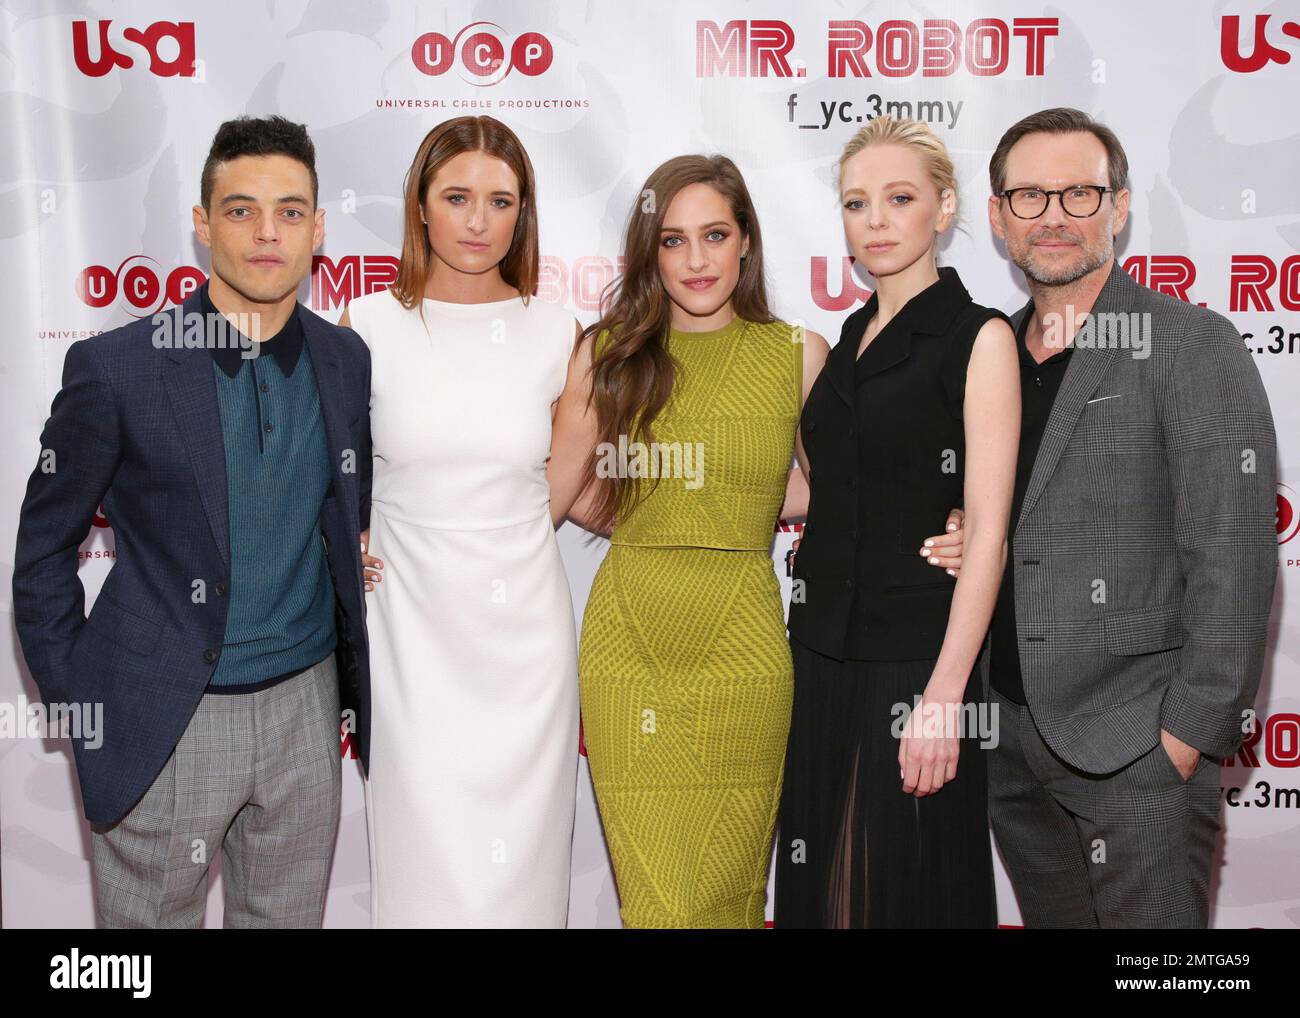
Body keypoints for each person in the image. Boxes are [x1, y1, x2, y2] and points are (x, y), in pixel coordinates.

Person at [12, 115, 372, 928]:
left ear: (318, 227)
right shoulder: (117, 368)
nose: (267, 233)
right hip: (166, 713)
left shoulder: (346, 361)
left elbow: (344, 518)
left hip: (306, 711)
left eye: (290, 211)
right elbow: (41, 556)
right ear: (203, 225)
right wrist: (89, 703)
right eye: (241, 210)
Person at [980, 108, 1277, 927]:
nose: (1054, 217)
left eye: (1079, 193)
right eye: (1029, 196)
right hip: (1008, 740)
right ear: (999, 216)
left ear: (1119, 208)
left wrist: (1182, 737)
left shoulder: (1189, 344)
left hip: (1138, 746)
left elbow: (1233, 555)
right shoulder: (990, 354)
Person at [569, 154, 829, 928]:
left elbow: (835, 493)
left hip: (743, 653)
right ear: (650, 253)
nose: (695, 259)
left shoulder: (798, 355)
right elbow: (568, 487)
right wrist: (663, 520)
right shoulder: (607, 351)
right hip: (630, 649)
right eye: (672, 241)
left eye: (713, 235)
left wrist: (732, 509)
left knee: (728, 892)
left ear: (745, 240)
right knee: (656, 903)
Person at [343, 115, 589, 928]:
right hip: (410, 637)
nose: (479, 221)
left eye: (501, 200)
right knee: (422, 872)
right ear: (420, 206)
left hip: (523, 642)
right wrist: (360, 536)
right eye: (457, 197)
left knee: (521, 873)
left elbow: (555, 488)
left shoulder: (558, 332)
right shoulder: (367, 326)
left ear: (523, 213)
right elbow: (332, 473)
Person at [776, 116, 1019, 928]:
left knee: (902, 892)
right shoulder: (845, 340)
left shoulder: (976, 337)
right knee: (822, 894)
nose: (875, 220)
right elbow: (836, 491)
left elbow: (985, 529)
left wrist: (945, 697)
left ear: (944, 209)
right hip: (816, 656)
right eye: (856, 202)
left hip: (914, 661)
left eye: (900, 197)